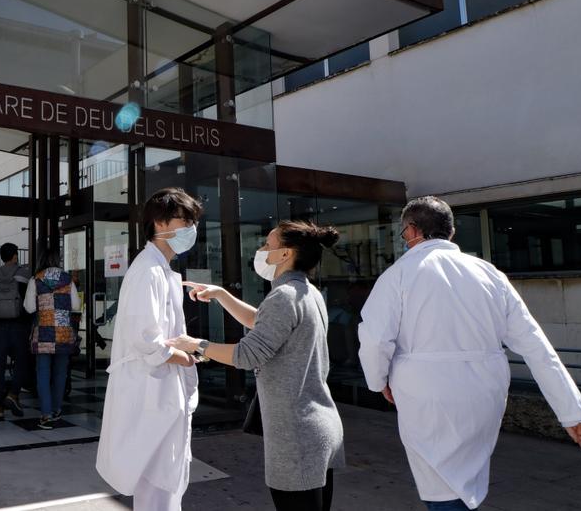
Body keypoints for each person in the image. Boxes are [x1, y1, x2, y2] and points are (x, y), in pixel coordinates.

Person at [358, 196, 581, 510]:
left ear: (411, 231)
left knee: (441, 488)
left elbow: (376, 341)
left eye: (403, 233)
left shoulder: (398, 275)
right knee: (467, 481)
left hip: (427, 394)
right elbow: (536, 346)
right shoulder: (490, 274)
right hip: (486, 391)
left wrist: (378, 382)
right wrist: (573, 413)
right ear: (451, 232)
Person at [168, 220, 346, 511]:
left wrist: (195, 345)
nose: (261, 250)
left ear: (286, 254)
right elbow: (264, 324)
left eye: (268, 245)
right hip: (318, 427)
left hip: (297, 437)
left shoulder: (284, 297)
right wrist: (222, 295)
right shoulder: (306, 292)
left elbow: (248, 354)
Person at [95, 187, 202, 511]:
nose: (190, 230)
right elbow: (147, 337)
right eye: (184, 221)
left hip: (160, 390)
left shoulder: (161, 269)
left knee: (164, 480)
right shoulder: (148, 270)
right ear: (159, 222)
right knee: (157, 483)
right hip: (153, 390)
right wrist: (184, 356)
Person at [23, 245, 80, 431]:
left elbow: (29, 308)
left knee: (43, 372)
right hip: (64, 332)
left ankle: (46, 413)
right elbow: (76, 305)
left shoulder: (35, 279)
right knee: (60, 372)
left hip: (44, 332)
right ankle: (57, 409)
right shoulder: (68, 279)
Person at [0, 242, 32, 420]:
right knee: (21, 362)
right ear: (15, 256)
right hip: (18, 325)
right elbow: (28, 301)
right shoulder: (23, 273)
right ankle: (13, 394)